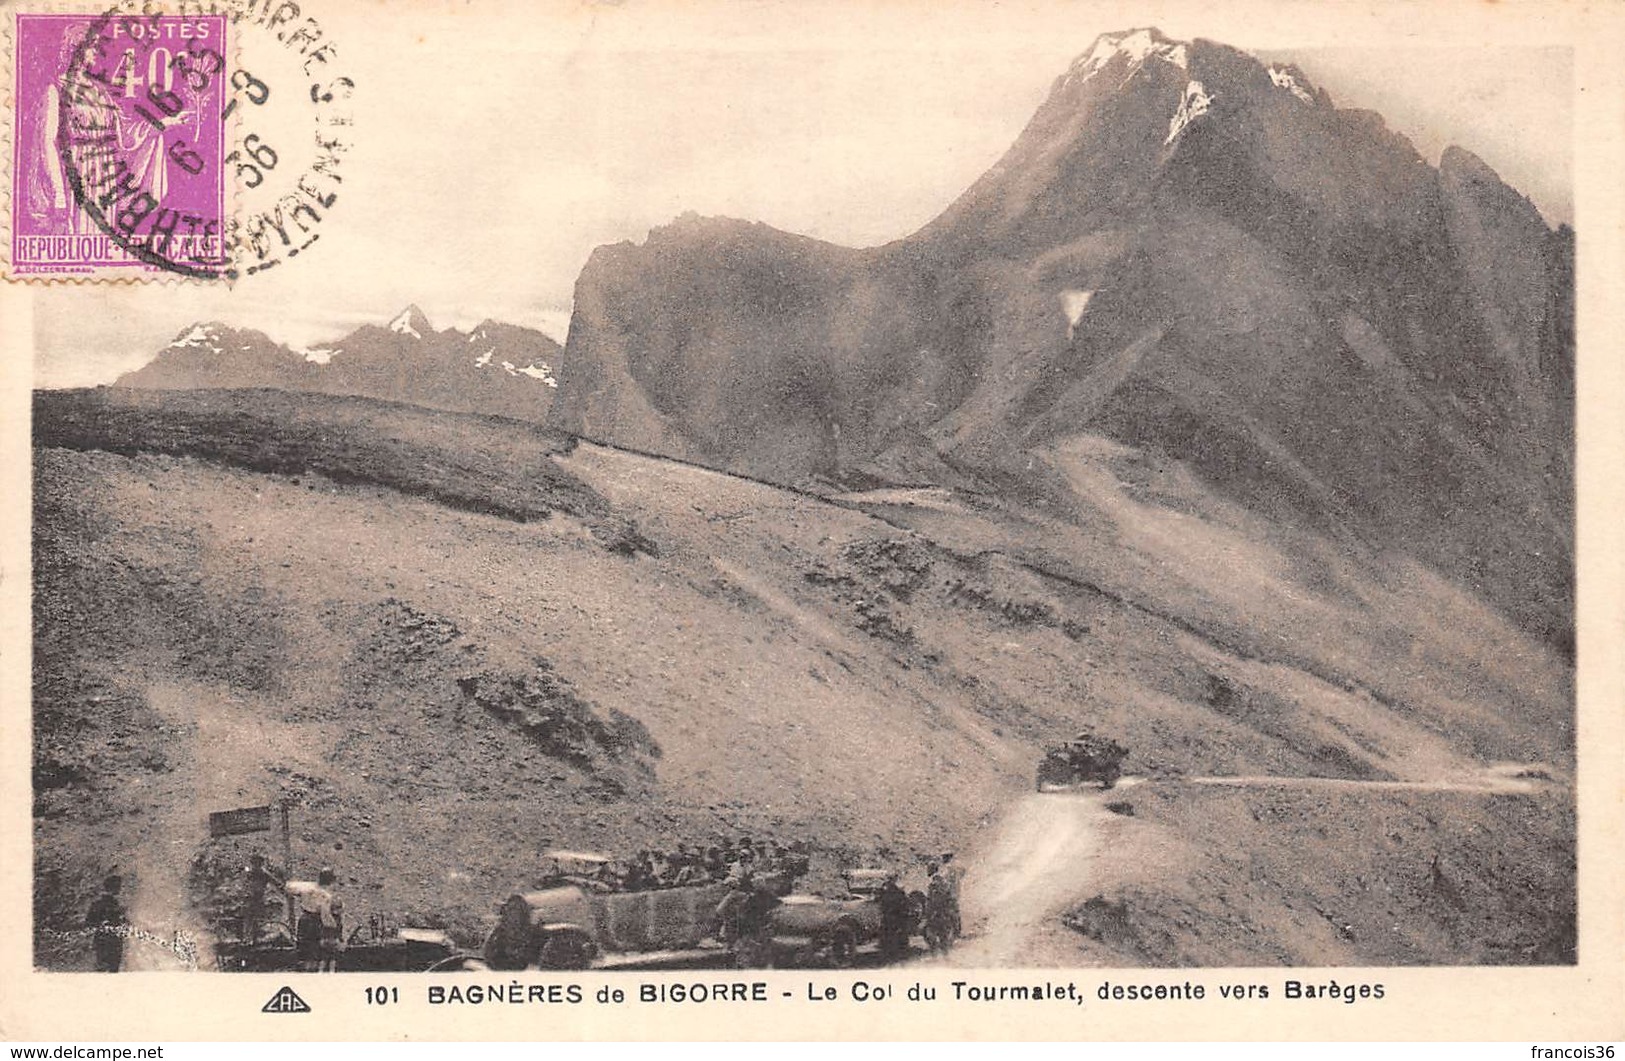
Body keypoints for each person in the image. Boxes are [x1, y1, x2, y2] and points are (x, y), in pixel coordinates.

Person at [291, 867, 344, 972]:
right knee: (314, 952)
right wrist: (336, 930)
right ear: (331, 881)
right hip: (315, 922)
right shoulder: (325, 895)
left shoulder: (307, 888)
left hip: (303, 920)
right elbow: (325, 915)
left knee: (303, 951)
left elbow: (290, 888)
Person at [85, 874, 127, 972]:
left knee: (104, 970)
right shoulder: (112, 906)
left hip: (105, 942)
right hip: (110, 943)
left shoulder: (99, 904)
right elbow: (90, 923)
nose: (120, 889)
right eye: (118, 886)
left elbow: (89, 923)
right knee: (110, 970)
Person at [242, 854, 283, 945]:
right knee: (248, 919)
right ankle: (247, 939)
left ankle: (255, 939)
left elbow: (276, 882)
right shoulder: (249, 874)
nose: (256, 866)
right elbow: (244, 884)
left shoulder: (264, 874)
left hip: (259, 899)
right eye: (255, 863)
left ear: (261, 864)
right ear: (252, 864)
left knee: (258, 919)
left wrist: (282, 888)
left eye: (259, 863)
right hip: (249, 899)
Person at [877, 873, 911, 961]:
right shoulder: (897, 891)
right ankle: (898, 954)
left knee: (889, 935)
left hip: (891, 916)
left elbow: (880, 901)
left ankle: (891, 954)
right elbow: (905, 903)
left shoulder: (885, 890)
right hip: (894, 917)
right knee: (897, 935)